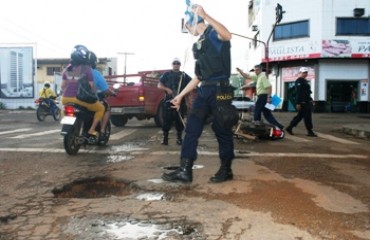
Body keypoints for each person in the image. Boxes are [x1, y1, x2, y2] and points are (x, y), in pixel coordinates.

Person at [161, 4, 236, 183]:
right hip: (204, 90)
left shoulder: (213, 33)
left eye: (188, 28)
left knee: (222, 128)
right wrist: (179, 96)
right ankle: (185, 170)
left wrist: (205, 14)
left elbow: (227, 35)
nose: (189, 32)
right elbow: (198, 77)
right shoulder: (199, 45)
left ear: (195, 22)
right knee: (192, 128)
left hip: (220, 90)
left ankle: (226, 169)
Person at [61, 45, 105, 137]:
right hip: (80, 99)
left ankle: (67, 126)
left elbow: (62, 86)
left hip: (65, 98)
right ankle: (91, 130)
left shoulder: (67, 68)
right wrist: (95, 97)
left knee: (64, 110)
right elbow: (91, 86)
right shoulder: (87, 69)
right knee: (101, 108)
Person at [236, 65, 284, 130]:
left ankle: (257, 122)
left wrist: (269, 97)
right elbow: (246, 76)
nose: (256, 71)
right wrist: (240, 71)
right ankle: (279, 126)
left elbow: (269, 86)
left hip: (263, 96)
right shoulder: (257, 76)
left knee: (257, 109)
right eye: (255, 70)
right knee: (267, 114)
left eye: (257, 69)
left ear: (261, 70)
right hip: (261, 96)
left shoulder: (262, 77)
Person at [157, 58, 191, 145]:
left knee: (179, 120)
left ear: (180, 65)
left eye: (178, 63)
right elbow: (159, 85)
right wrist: (167, 89)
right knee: (166, 120)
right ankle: (165, 139)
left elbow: (189, 87)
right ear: (172, 64)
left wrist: (188, 101)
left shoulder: (184, 75)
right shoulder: (167, 74)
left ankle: (179, 139)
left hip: (181, 101)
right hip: (169, 101)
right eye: (174, 63)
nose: (176, 64)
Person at [88, 51, 116, 140]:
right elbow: (106, 90)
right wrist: (112, 93)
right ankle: (102, 130)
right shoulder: (96, 73)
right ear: (94, 63)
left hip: (73, 99)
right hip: (89, 100)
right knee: (106, 107)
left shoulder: (75, 71)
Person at [285, 67, 317, 137]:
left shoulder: (304, 81)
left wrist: (311, 99)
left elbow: (306, 93)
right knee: (307, 117)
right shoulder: (299, 81)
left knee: (299, 116)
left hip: (306, 101)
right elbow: (298, 93)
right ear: (300, 73)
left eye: (306, 73)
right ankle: (310, 131)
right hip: (303, 102)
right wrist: (298, 103)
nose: (305, 74)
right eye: (303, 73)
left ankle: (289, 127)